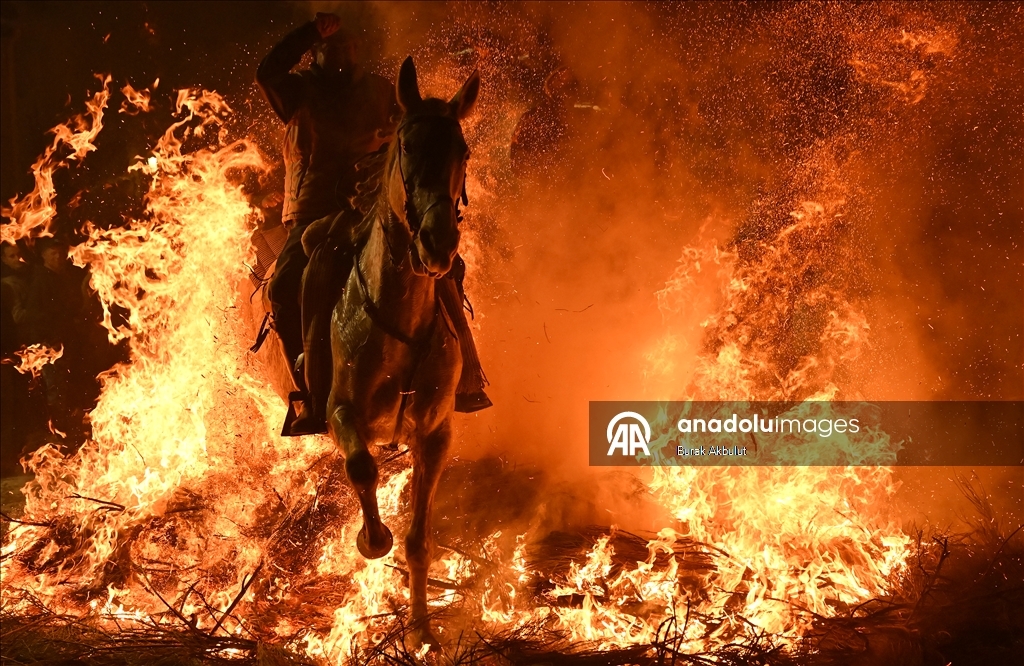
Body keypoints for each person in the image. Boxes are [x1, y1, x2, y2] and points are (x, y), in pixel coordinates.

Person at [256, 12, 400, 434]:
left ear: (358, 50)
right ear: (315, 53)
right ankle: (308, 389)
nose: (341, 55)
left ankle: (462, 379)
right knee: (283, 287)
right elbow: (266, 72)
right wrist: (307, 31)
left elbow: (403, 131)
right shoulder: (297, 91)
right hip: (312, 209)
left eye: (347, 47)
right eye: (331, 48)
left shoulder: (379, 89)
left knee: (439, 270)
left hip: (371, 206)